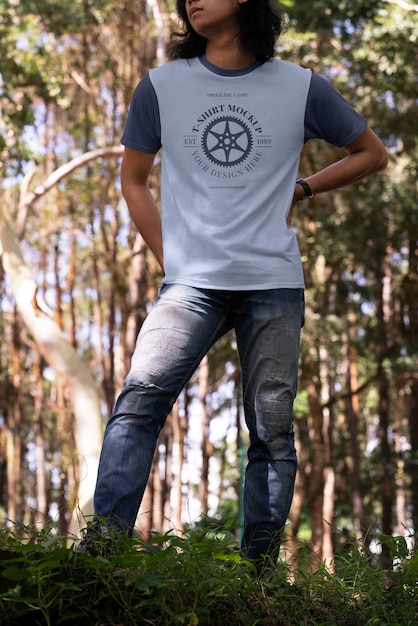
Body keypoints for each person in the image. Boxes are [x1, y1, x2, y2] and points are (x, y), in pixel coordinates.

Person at [78, 0, 388, 568]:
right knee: (138, 402)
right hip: (190, 285)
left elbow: (371, 154)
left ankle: (258, 575)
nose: (192, 0)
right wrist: (174, 258)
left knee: (271, 431)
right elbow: (132, 180)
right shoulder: (161, 87)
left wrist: (304, 188)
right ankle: (101, 558)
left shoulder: (300, 87)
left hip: (272, 281)